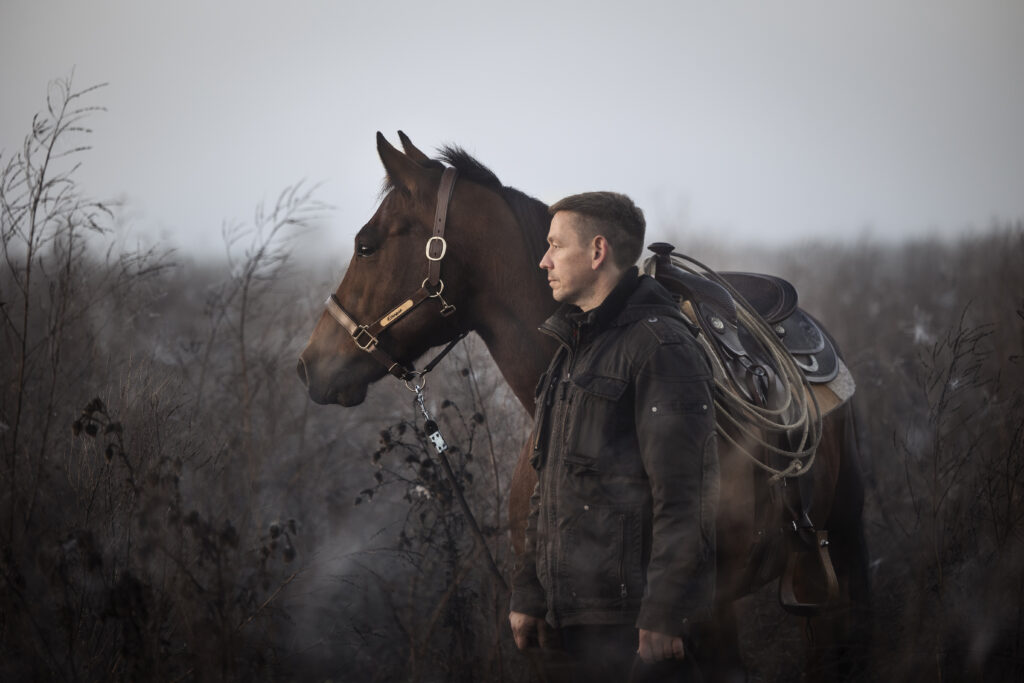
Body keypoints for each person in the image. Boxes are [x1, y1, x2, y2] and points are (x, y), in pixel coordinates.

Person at [508, 192, 719, 682]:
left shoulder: (660, 347)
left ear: (598, 251)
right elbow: (549, 486)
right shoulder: (572, 350)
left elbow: (686, 495)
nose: (544, 261)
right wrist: (529, 593)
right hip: (576, 618)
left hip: (637, 628)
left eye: (556, 245)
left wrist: (664, 612)